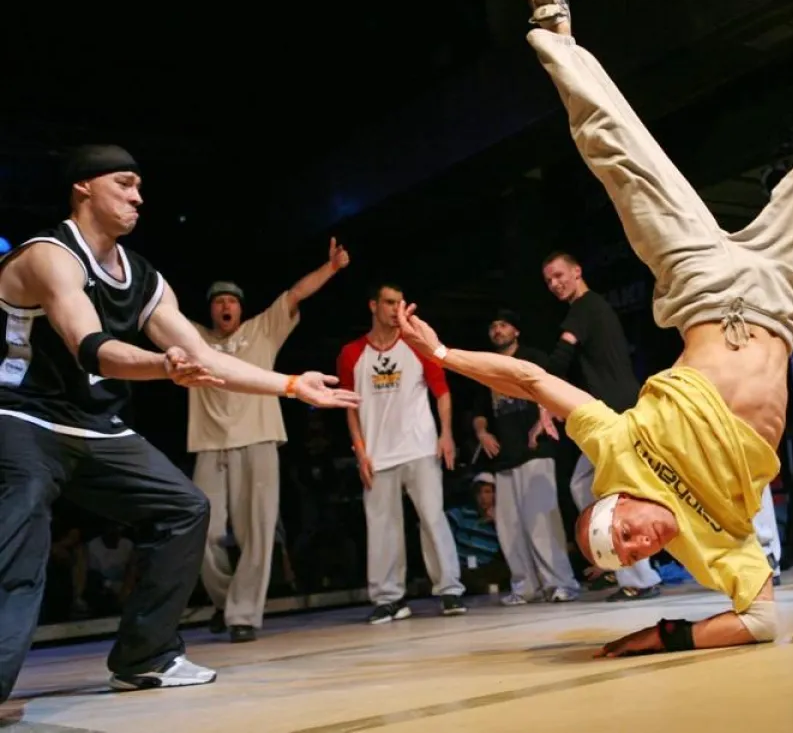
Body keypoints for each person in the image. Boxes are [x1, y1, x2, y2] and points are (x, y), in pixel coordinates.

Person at [391, 0, 793, 657]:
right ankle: (768, 218)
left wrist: (443, 353)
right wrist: (665, 632)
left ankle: (555, 31)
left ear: (617, 502)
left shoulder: (615, 451)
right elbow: (760, 620)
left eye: (622, 532)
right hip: (782, 299)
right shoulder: (709, 549)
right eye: (629, 551)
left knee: (622, 156)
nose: (640, 541)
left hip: (703, 285)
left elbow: (534, 378)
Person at [0, 145, 359, 701]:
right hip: (20, 417)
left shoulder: (142, 276)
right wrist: (163, 367)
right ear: (84, 189)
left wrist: (290, 385)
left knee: (184, 507)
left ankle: (145, 656)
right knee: (22, 533)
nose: (138, 196)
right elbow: (93, 350)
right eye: (124, 183)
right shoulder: (51, 256)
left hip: (93, 426)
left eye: (140, 186)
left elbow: (205, 357)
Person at [189, 240, 350, 643]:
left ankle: (243, 615)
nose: (225, 306)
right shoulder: (194, 339)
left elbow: (295, 294)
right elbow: (155, 312)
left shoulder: (261, 330)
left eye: (231, 301)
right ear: (210, 309)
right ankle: (228, 601)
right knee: (200, 532)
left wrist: (330, 269)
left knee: (257, 532)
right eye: (218, 301)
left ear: (240, 308)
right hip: (209, 444)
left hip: (259, 439)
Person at [336, 283, 466, 622]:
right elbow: (349, 406)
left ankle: (450, 590)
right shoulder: (351, 353)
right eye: (390, 303)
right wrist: (360, 452)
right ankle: (388, 598)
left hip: (420, 447)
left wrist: (446, 433)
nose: (396, 309)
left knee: (433, 518)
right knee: (381, 527)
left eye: (401, 303)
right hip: (378, 454)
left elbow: (442, 392)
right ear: (373, 305)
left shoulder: (415, 345)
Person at [541, 253, 662, 600]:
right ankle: (625, 567)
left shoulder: (584, 308)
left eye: (559, 275)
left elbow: (559, 361)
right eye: (549, 281)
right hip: (619, 409)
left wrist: (542, 398)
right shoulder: (591, 309)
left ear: (578, 271)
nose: (555, 284)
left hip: (617, 412)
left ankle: (637, 574)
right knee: (585, 485)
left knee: (601, 488)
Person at [472, 309, 580, 605]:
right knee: (510, 529)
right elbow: (480, 410)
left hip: (536, 451)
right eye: (493, 325)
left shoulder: (533, 357)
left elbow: (555, 391)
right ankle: (525, 587)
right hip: (504, 457)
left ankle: (561, 583)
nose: (497, 330)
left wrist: (542, 419)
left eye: (503, 325)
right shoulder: (490, 367)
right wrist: (482, 432)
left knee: (543, 524)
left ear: (516, 331)